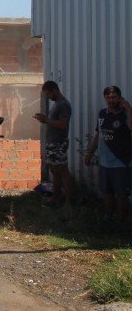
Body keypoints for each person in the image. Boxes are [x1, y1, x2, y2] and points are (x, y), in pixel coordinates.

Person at [84, 86, 131, 226]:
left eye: (114, 97)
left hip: (120, 162)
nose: (111, 100)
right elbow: (99, 135)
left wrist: (129, 109)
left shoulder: (125, 115)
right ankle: (108, 218)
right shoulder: (102, 114)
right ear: (105, 98)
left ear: (120, 98)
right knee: (107, 193)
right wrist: (90, 152)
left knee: (121, 195)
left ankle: (123, 222)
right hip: (104, 162)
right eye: (108, 97)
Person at [34, 80, 75, 206]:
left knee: (62, 171)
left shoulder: (63, 105)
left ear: (54, 90)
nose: (48, 97)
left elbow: (63, 125)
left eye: (48, 94)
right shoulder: (57, 104)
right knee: (55, 172)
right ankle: (55, 198)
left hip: (58, 143)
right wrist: (45, 119)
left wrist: (46, 120)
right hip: (52, 143)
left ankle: (69, 202)